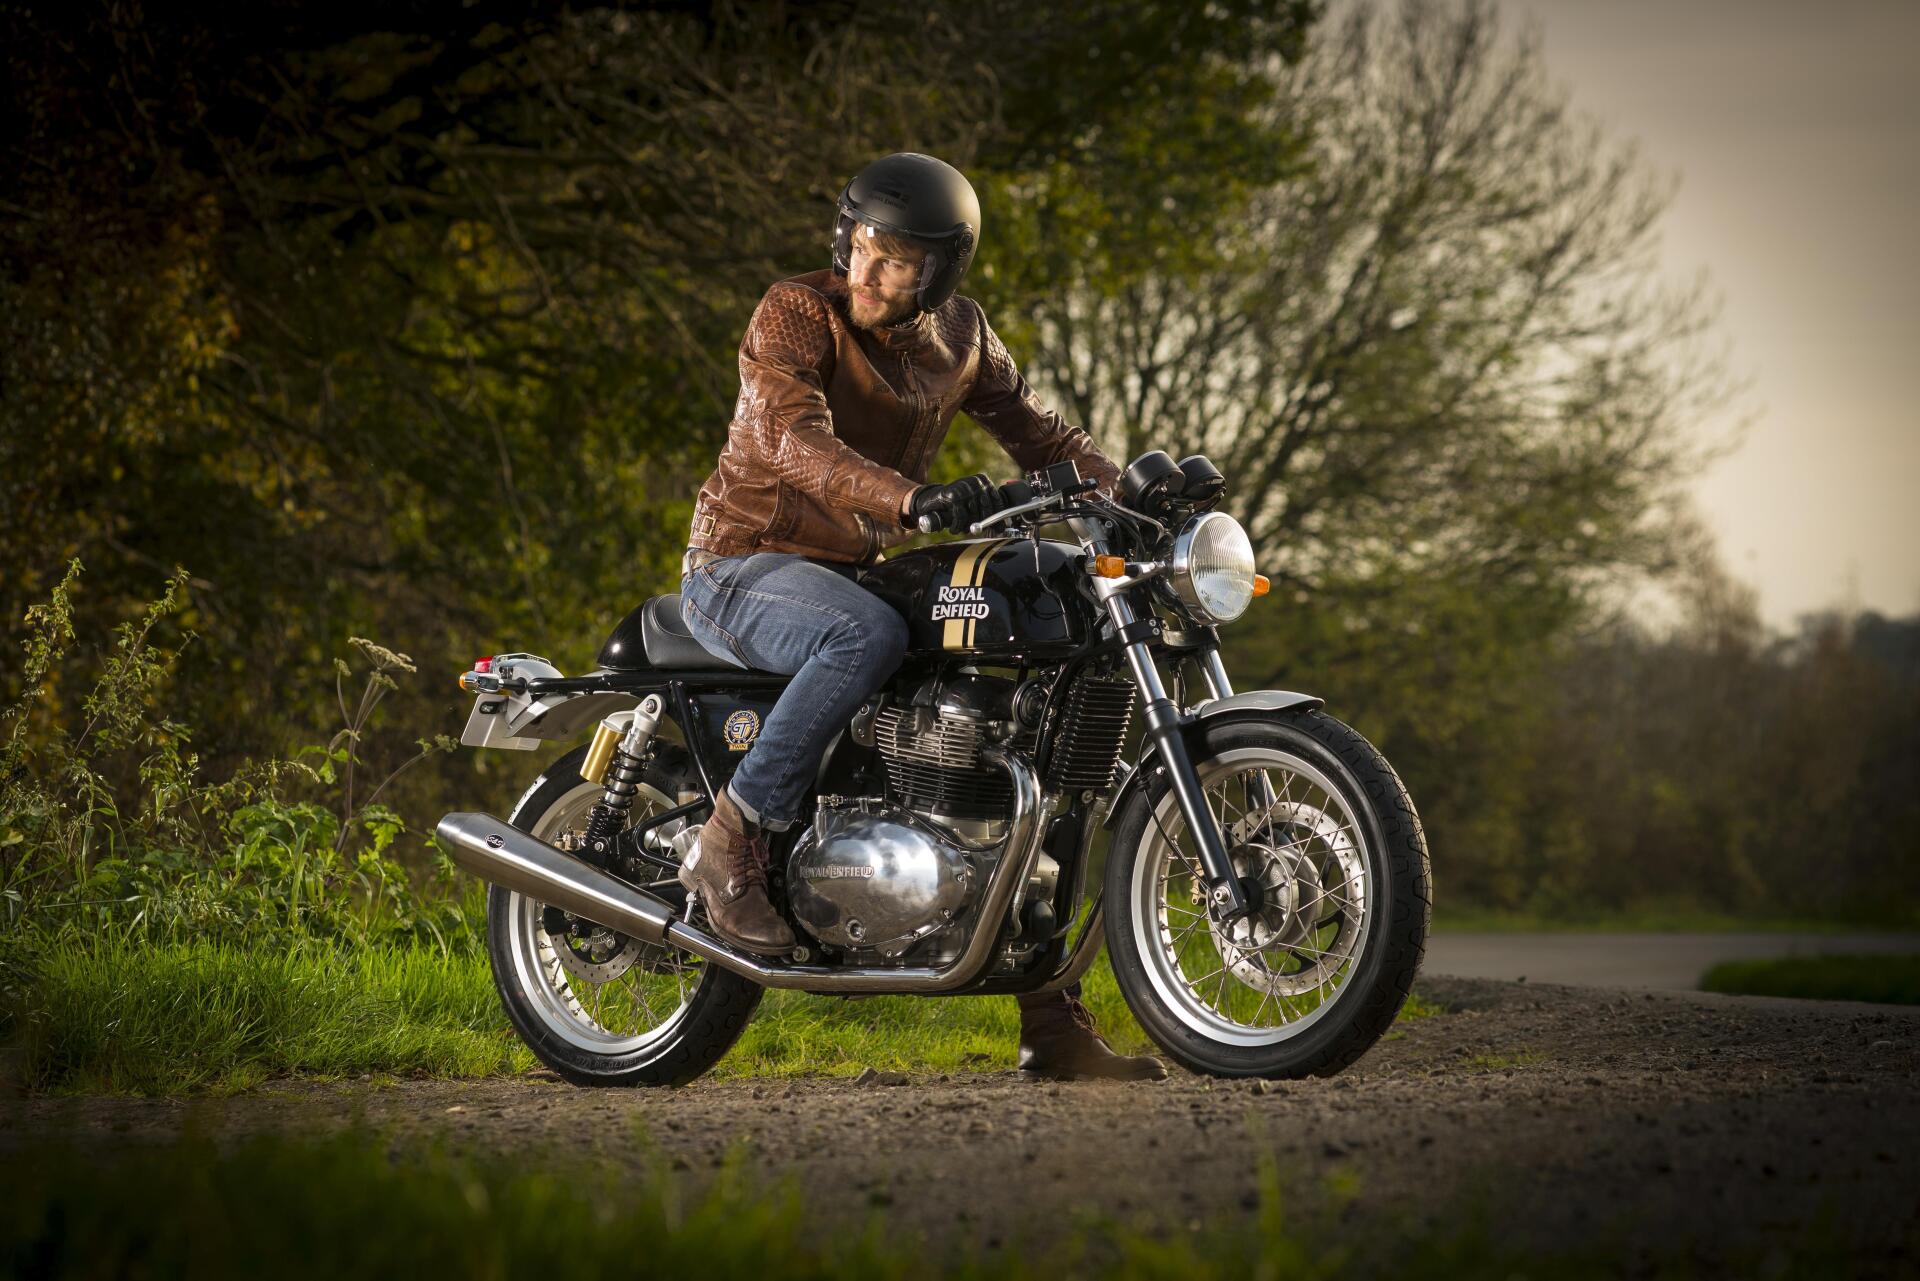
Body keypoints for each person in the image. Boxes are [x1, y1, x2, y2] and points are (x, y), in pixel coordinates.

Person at [676, 152, 1164, 1081]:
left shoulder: (963, 338)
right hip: (741, 565)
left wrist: (1138, 494)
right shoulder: (794, 310)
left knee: (1033, 698)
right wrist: (910, 500)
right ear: (843, 239)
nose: (874, 272)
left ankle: (1049, 1015)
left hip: (848, 571)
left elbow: (1040, 433)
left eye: (900, 261)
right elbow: (792, 439)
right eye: (866, 247)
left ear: (940, 274)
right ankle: (731, 835)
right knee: (866, 634)